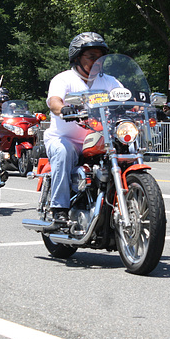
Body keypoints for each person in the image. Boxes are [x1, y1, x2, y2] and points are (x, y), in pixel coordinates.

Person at [44, 31, 119, 226]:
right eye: (91, 57)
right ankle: (59, 208)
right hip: (66, 139)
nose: (98, 61)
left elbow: (125, 97)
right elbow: (54, 101)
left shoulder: (109, 81)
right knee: (62, 152)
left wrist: (140, 106)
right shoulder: (63, 79)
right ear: (77, 58)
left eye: (101, 57)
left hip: (99, 138)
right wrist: (63, 109)